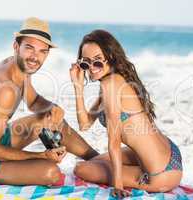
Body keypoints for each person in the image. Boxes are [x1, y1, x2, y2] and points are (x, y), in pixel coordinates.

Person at [0, 17, 98, 185]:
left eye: (42, 51)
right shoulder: (5, 88)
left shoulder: (18, 67)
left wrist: (53, 108)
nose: (35, 57)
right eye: (30, 48)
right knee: (51, 172)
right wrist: (40, 156)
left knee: (52, 118)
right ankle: (96, 163)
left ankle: (99, 160)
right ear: (16, 46)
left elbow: (33, 101)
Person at [70, 29, 182, 197]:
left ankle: (129, 171)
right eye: (86, 63)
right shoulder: (115, 79)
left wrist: (118, 184)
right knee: (94, 162)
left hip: (160, 175)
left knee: (81, 169)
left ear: (111, 57)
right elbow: (85, 124)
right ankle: (129, 168)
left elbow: (114, 141)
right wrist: (78, 87)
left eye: (98, 62)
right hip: (170, 154)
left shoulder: (111, 84)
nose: (92, 69)